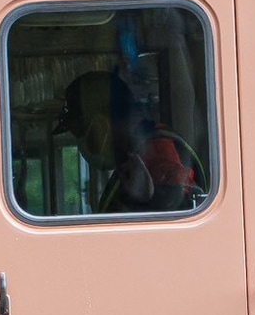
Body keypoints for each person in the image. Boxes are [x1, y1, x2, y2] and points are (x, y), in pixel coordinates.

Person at [58, 69, 203, 213]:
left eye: (78, 132)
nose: (81, 144)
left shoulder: (157, 151)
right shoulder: (135, 157)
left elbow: (189, 211)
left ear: (99, 126)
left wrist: (153, 198)